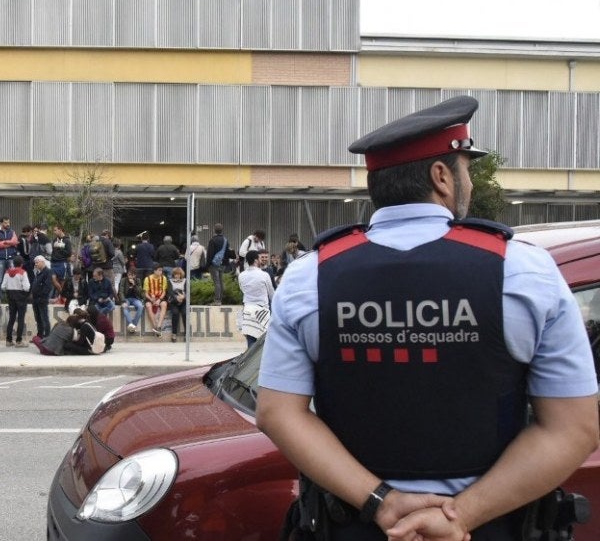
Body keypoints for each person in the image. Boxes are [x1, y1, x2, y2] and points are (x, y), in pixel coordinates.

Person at [256, 95, 599, 541]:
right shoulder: (524, 271)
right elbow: (573, 428)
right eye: (466, 170)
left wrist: (382, 501)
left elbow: (278, 414)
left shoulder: (309, 276)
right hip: (492, 528)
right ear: (441, 176)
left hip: (356, 527)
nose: (468, 183)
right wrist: (461, 516)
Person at [237, 250, 274, 347]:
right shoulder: (264, 275)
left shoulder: (241, 275)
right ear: (256, 260)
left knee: (251, 340)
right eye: (259, 258)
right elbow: (271, 294)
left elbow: (242, 290)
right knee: (265, 341)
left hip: (248, 309)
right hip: (262, 310)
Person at [1, 255, 30, 347]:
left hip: (11, 297)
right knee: (21, 319)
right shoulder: (23, 272)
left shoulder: (7, 272)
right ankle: (19, 341)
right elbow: (27, 287)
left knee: (11, 318)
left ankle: (9, 340)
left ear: (13, 263)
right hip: (21, 296)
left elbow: (3, 287)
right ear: (21, 264)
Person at [30, 255, 53, 339]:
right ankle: (40, 336)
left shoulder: (47, 272)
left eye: (37, 262)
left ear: (43, 262)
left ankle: (47, 336)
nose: (35, 264)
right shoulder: (37, 272)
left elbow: (48, 287)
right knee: (38, 319)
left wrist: (41, 296)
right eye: (35, 263)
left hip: (42, 299)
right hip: (35, 299)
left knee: (44, 318)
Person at [206, 223, 229, 305]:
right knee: (220, 281)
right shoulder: (225, 240)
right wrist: (225, 263)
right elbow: (227, 253)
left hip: (214, 264)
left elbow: (210, 254)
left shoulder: (212, 240)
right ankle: (221, 300)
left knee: (216, 282)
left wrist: (208, 265)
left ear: (214, 230)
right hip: (223, 264)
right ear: (222, 230)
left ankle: (217, 300)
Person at [0, 216, 19, 285]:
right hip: (0, 258)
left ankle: (12, 292)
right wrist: (10, 243)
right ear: (1, 223)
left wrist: (5, 242)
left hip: (11, 258)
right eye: (5, 223)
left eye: (8, 222)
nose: (8, 224)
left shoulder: (12, 232)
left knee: (13, 278)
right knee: (0, 279)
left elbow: (15, 242)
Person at [142, 267, 168, 336]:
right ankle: (155, 326)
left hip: (160, 297)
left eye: (161, 270)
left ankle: (159, 326)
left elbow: (164, 292)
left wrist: (159, 300)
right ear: (154, 271)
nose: (161, 272)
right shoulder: (147, 279)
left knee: (164, 304)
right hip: (150, 297)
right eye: (159, 270)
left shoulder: (164, 278)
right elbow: (146, 293)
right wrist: (151, 299)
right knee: (148, 305)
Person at [119, 268, 144, 334]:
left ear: (135, 275)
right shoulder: (123, 280)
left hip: (135, 299)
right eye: (129, 274)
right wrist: (123, 301)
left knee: (140, 306)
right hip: (126, 298)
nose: (130, 276)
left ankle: (133, 325)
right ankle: (131, 324)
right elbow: (121, 292)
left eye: (132, 275)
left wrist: (134, 285)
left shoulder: (138, 280)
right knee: (125, 307)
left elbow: (140, 293)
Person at [167, 267, 188, 343]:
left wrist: (183, 297)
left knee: (185, 314)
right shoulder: (170, 281)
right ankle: (174, 334)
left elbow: (187, 291)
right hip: (174, 302)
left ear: (181, 274)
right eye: (175, 274)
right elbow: (169, 292)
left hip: (183, 301)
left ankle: (187, 334)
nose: (177, 276)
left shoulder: (185, 281)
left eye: (178, 274)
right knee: (175, 313)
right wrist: (177, 298)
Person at [50, 224, 73, 291]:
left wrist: (60, 247)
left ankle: (62, 295)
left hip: (62, 263)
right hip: (54, 263)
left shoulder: (67, 240)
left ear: (60, 230)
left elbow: (69, 253)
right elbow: (54, 251)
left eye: (55, 230)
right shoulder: (55, 240)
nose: (54, 232)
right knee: (53, 280)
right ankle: (62, 294)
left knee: (62, 282)